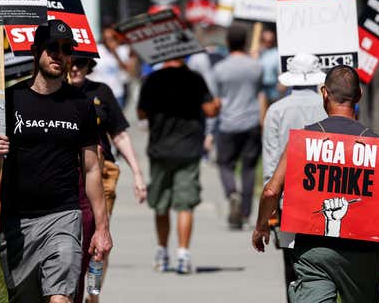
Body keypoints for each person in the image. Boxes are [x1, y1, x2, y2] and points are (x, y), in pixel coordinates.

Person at [0, 19, 113, 303]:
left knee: (60, 297)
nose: (60, 55)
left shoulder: (80, 104)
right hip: (18, 223)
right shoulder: (8, 100)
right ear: (36, 49)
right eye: (53, 48)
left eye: (67, 50)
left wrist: (102, 229)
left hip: (63, 217)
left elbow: (91, 169)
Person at [252, 65, 379, 303]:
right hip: (361, 254)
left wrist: (261, 226)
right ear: (359, 95)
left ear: (324, 93)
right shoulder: (377, 147)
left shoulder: (302, 141)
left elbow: (271, 190)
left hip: (313, 251)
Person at [68, 56, 148, 302]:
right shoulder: (55, 96)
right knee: (70, 239)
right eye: (71, 62)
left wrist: (137, 174)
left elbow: (120, 134)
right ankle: (69, 291)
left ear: (88, 66)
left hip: (103, 172)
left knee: (99, 238)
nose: (75, 68)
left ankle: (93, 294)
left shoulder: (101, 92)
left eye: (81, 63)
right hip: (67, 173)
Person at [137, 58, 220, 274]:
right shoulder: (194, 78)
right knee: (185, 204)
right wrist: (217, 104)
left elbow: (141, 114)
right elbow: (211, 110)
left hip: (160, 148)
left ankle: (162, 252)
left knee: (161, 203)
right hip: (189, 149)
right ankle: (183, 254)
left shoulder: (153, 79)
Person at [261, 54, 327, 301]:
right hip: (327, 198)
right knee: (324, 263)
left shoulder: (276, 111)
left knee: (293, 265)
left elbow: (270, 163)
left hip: (289, 201)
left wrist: (271, 209)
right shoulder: (328, 107)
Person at [213, 23, 264, 229]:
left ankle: (231, 191)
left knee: (225, 164)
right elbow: (260, 91)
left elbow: (217, 97)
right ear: (245, 42)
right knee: (249, 168)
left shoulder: (220, 68)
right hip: (251, 122)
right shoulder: (256, 66)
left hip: (228, 122)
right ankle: (244, 212)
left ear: (227, 43)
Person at [88, 25, 138, 109]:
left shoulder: (123, 50)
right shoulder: (98, 50)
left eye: (112, 38)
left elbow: (131, 73)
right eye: (106, 38)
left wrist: (115, 54)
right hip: (98, 94)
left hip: (117, 94)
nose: (109, 41)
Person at [258, 28, 283, 105]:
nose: (267, 43)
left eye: (270, 41)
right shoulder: (258, 52)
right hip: (259, 88)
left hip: (273, 89)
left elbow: (280, 71)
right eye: (264, 40)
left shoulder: (276, 53)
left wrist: (281, 85)